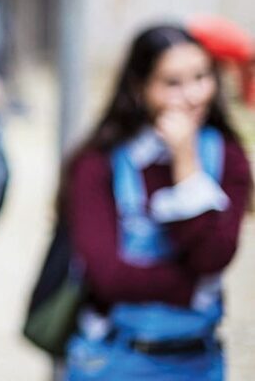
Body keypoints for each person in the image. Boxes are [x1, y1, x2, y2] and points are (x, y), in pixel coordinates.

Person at [62, 24, 251, 380]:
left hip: (199, 362)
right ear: (140, 87)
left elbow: (212, 257)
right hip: (114, 360)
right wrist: (192, 286)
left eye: (201, 77)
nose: (193, 95)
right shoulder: (97, 163)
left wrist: (185, 163)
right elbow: (109, 277)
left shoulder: (228, 156)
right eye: (172, 83)